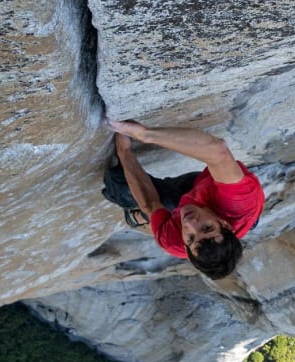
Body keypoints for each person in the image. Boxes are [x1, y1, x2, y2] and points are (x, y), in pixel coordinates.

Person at [104, 119, 264, 279]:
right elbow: (218, 151)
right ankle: (249, 223)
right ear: (224, 224)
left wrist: (124, 151)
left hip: (196, 202)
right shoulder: (238, 203)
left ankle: (139, 218)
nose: (190, 223)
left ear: (186, 247)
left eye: (191, 238)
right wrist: (145, 134)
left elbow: (149, 204)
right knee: (180, 201)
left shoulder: (174, 242)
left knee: (119, 183)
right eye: (207, 228)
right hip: (207, 192)